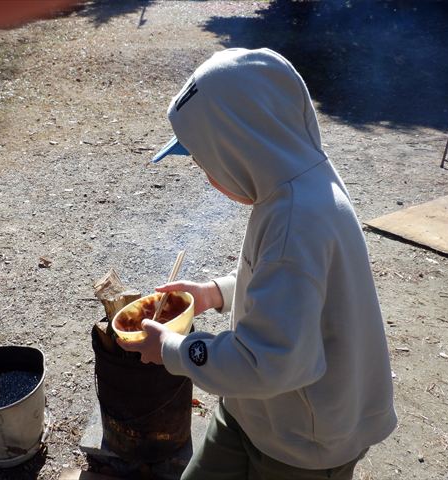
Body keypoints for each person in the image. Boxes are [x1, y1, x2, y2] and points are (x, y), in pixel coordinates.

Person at [118, 48, 397, 480]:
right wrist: (217, 293)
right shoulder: (299, 182)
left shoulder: (294, 221)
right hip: (253, 410)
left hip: (303, 442)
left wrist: (171, 350)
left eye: (205, 161)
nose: (209, 178)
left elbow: (268, 363)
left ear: (240, 147)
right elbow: (286, 286)